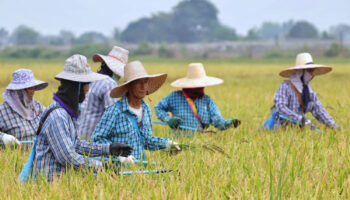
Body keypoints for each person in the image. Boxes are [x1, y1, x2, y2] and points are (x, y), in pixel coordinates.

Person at [33, 55, 132, 181]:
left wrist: (108, 149)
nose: (88, 88)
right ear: (76, 86)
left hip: (64, 183)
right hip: (50, 186)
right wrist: (102, 166)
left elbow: (76, 145)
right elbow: (67, 157)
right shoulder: (58, 117)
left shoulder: (67, 114)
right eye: (86, 84)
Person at [92, 61, 180, 160]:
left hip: (139, 170)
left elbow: (146, 141)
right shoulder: (115, 111)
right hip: (117, 171)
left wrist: (167, 144)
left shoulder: (146, 109)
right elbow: (97, 139)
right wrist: (119, 155)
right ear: (129, 86)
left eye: (145, 82)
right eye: (138, 82)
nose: (143, 87)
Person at [154, 63, 241, 133]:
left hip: (200, 140)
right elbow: (158, 108)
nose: (198, 88)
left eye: (200, 85)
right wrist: (168, 120)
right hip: (178, 140)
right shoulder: (174, 96)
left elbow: (217, 121)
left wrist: (230, 123)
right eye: (195, 85)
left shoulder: (207, 100)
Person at [262, 52, 338, 130]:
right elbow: (280, 108)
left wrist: (334, 127)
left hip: (297, 130)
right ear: (301, 71)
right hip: (280, 129)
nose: (311, 74)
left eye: (312, 71)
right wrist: (301, 119)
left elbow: (320, 111)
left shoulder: (309, 92)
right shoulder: (285, 87)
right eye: (309, 70)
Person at [79, 46, 129, 139]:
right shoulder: (109, 83)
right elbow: (113, 117)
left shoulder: (91, 78)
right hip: (94, 141)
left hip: (80, 135)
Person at [0, 69, 47, 146]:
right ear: (17, 90)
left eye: (33, 87)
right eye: (29, 88)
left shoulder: (37, 106)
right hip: (16, 156)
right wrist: (3, 137)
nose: (32, 91)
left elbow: (52, 122)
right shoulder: (3, 110)